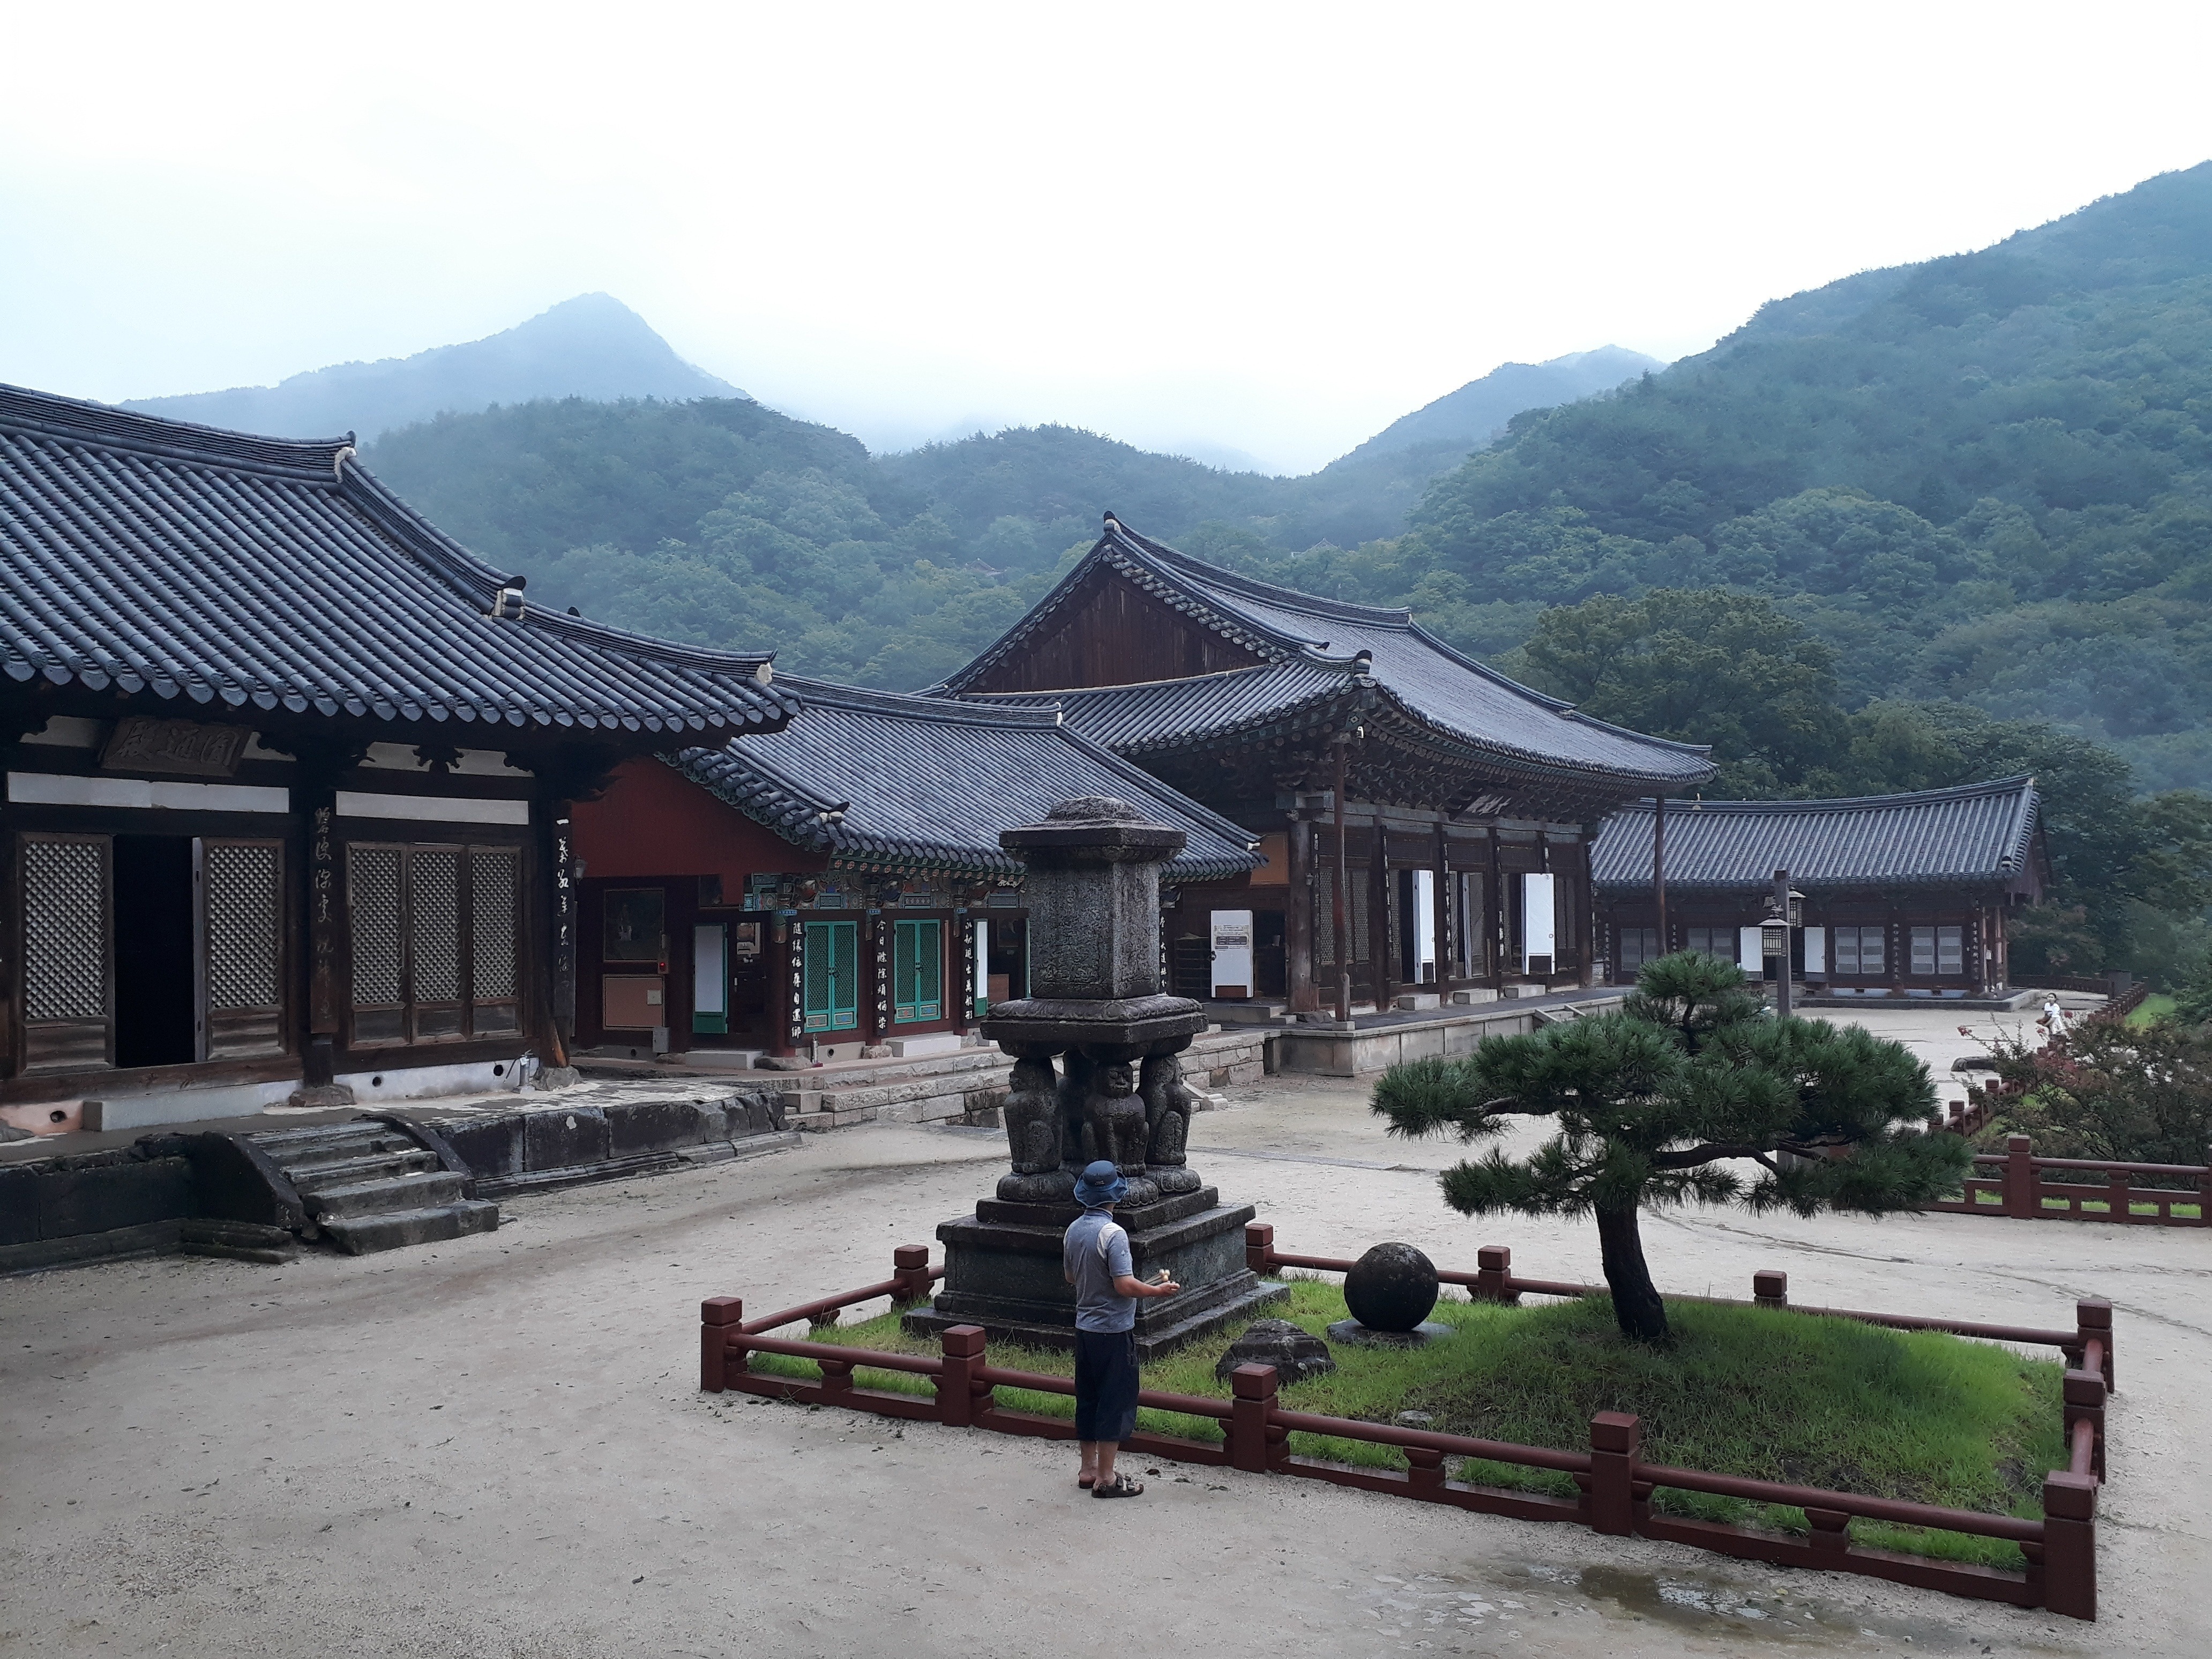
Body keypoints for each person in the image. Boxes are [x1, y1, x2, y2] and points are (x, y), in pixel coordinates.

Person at [1063, 1159, 1179, 1498]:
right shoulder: (1113, 1234)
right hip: (1114, 1332)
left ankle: (1087, 1470)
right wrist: (1156, 1291)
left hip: (1085, 1329)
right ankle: (1107, 1478)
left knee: (1088, 1398)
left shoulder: (1073, 1230)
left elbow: (1072, 1278)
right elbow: (1125, 1286)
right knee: (1114, 1401)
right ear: (1116, 1197)